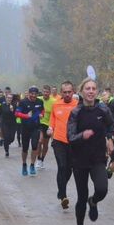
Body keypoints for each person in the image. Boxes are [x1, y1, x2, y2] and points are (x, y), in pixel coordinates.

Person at [67, 78, 114, 225]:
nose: (91, 91)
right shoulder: (76, 112)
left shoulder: (103, 109)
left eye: (94, 88)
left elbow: (110, 126)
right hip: (79, 159)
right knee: (81, 196)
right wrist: (82, 135)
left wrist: (110, 139)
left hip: (98, 158)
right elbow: (70, 137)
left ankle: (93, 202)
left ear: (97, 92)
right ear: (82, 91)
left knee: (102, 189)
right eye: (88, 88)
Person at [47, 81, 78, 209]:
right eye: (64, 92)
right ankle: (63, 196)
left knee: (70, 169)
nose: (67, 94)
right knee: (62, 166)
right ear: (61, 92)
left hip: (73, 142)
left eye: (69, 92)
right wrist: (50, 128)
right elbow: (52, 120)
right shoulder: (56, 104)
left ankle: (61, 189)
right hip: (59, 140)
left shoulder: (78, 105)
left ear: (73, 92)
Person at [15, 86, 45, 176]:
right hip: (25, 128)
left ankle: (32, 165)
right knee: (25, 148)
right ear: (28, 93)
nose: (33, 95)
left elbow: (42, 110)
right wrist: (26, 116)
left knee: (35, 146)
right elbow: (16, 113)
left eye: (35, 94)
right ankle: (24, 164)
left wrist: (41, 115)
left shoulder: (40, 101)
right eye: (32, 94)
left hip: (36, 128)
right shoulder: (23, 102)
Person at [37, 85, 54, 169]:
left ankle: (42, 160)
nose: (45, 93)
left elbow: (54, 114)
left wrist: (52, 126)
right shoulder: (39, 99)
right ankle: (38, 159)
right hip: (39, 123)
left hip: (48, 124)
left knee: (45, 144)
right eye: (44, 92)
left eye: (47, 92)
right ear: (42, 92)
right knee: (40, 141)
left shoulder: (53, 101)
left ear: (50, 93)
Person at [0, 93, 18, 157]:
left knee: (12, 138)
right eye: (8, 98)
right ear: (6, 98)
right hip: (5, 123)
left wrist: (13, 110)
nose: (9, 99)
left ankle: (6, 143)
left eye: (10, 98)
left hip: (13, 123)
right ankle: (7, 151)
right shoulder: (2, 105)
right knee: (6, 136)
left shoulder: (14, 105)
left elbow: (17, 115)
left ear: (12, 99)